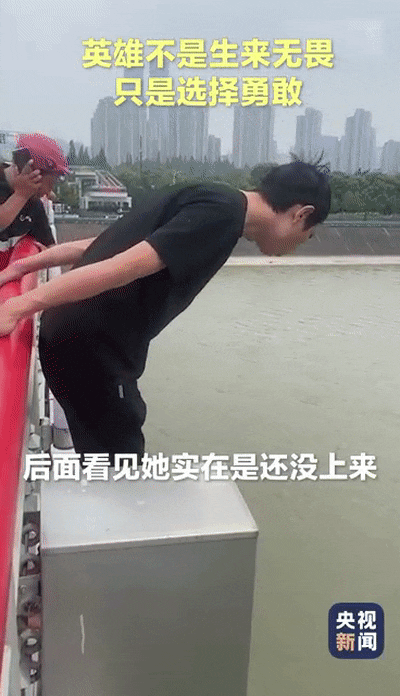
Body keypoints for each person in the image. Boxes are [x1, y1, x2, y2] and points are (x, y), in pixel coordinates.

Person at [0, 161, 331, 458]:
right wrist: (17, 306)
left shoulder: (210, 195)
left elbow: (105, 244)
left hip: (73, 342)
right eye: (309, 233)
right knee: (120, 472)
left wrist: (22, 266)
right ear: (300, 214)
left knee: (110, 458)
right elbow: (121, 267)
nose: (302, 242)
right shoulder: (222, 216)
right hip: (93, 354)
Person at [0, 133, 69, 247]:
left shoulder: (34, 205)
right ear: (31, 170)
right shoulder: (23, 195)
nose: (49, 193)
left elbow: (50, 246)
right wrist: (21, 195)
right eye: (50, 183)